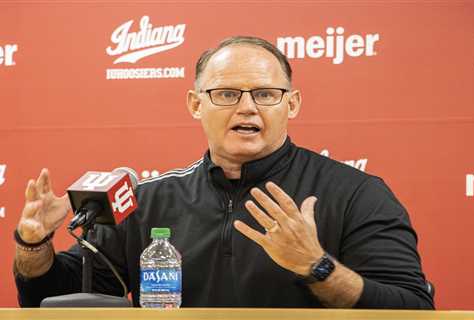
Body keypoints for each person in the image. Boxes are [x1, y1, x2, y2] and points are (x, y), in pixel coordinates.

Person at [14, 36, 434, 308]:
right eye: (227, 93)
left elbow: (412, 308)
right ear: (196, 104)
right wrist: (33, 245)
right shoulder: (147, 200)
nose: (247, 107)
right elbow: (58, 301)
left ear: (293, 104)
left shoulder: (356, 193)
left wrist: (316, 266)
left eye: (266, 94)